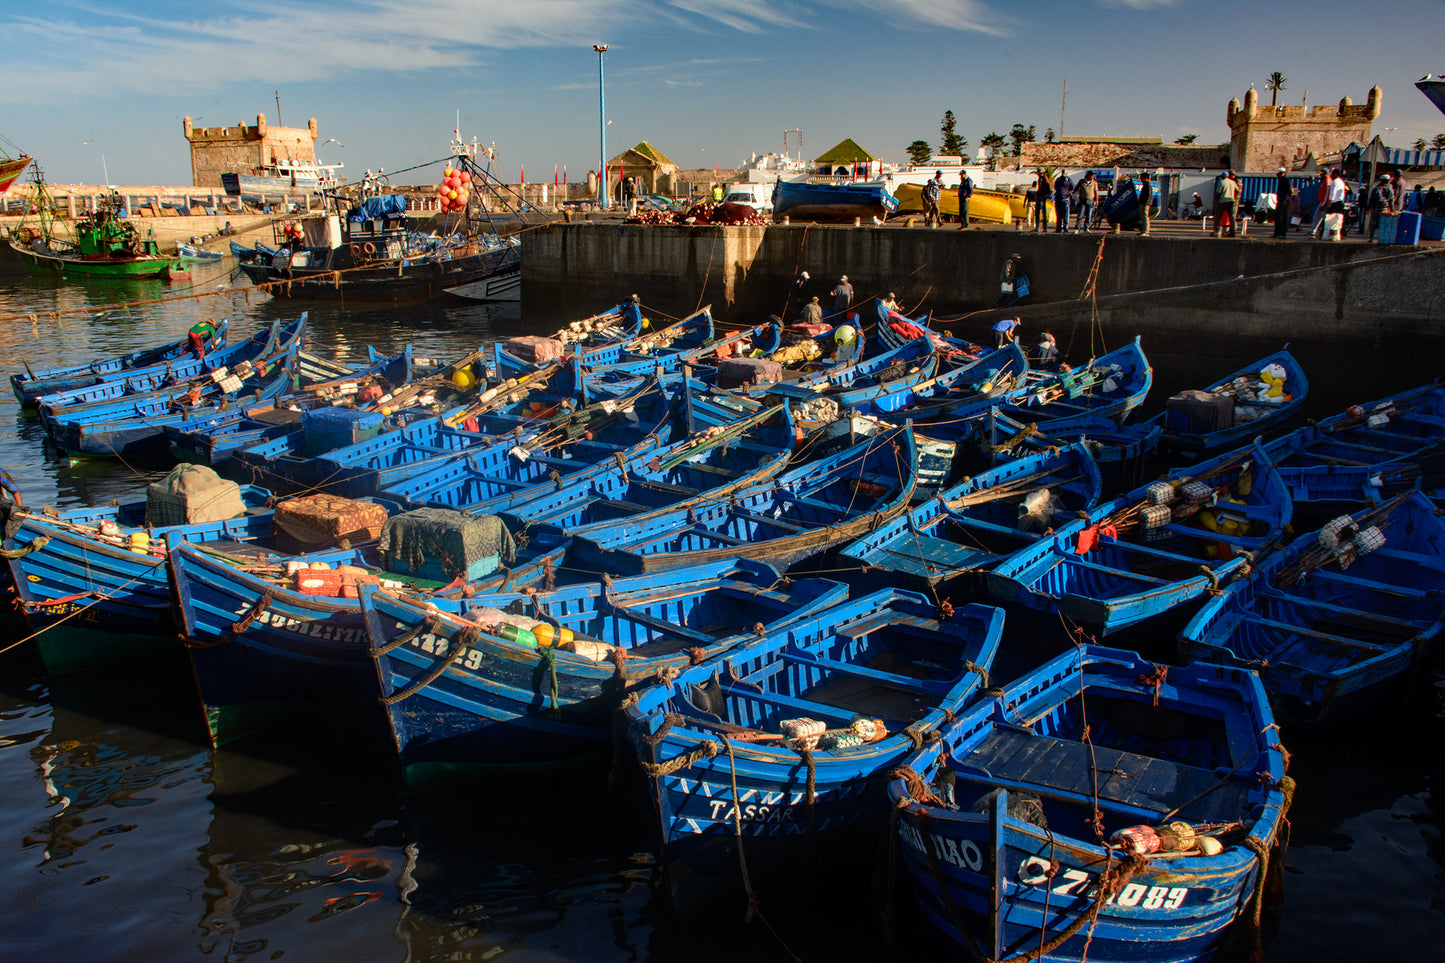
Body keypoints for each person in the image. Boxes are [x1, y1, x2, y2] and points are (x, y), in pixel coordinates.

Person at [1366, 173, 1397, 242]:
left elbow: (1371, 199)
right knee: (1383, 224)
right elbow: (1391, 201)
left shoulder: (1376, 189)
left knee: (1373, 224)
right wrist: (1392, 210)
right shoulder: (1390, 190)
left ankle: (1371, 239)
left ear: (1381, 181)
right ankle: (1381, 239)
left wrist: (1368, 208)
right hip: (1385, 209)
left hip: (1376, 209)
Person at [1215, 170, 1240, 237]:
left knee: (1218, 216)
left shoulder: (1222, 182)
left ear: (1222, 177)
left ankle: (1216, 231)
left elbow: (1219, 193)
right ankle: (1232, 232)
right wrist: (1234, 198)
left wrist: (1215, 203)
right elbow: (1238, 191)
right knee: (1232, 217)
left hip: (1223, 201)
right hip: (1231, 201)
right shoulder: (1233, 182)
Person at [1271, 167, 1293, 239]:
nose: (1277, 175)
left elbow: (1290, 191)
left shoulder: (1286, 181)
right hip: (1280, 201)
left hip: (1284, 201)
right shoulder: (1281, 181)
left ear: (1282, 173)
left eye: (1278, 174)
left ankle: (1283, 234)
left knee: (1283, 218)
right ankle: (1276, 233)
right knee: (1277, 218)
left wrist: (1287, 199)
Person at [1309, 172, 1331, 238]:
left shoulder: (1327, 181)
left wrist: (1323, 204)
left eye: (1322, 174)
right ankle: (1315, 230)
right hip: (1322, 202)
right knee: (1318, 217)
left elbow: (1327, 193)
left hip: (1323, 203)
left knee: (1318, 217)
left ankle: (1314, 231)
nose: (1320, 175)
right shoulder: (1325, 181)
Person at [1137, 172, 1153, 236]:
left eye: (1142, 178)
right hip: (1143, 203)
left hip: (1145, 204)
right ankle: (1143, 230)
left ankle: (1146, 231)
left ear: (1146, 178)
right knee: (1143, 217)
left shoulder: (1148, 185)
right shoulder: (1145, 185)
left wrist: (1145, 203)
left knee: (1145, 216)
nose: (1141, 180)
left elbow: (1148, 195)